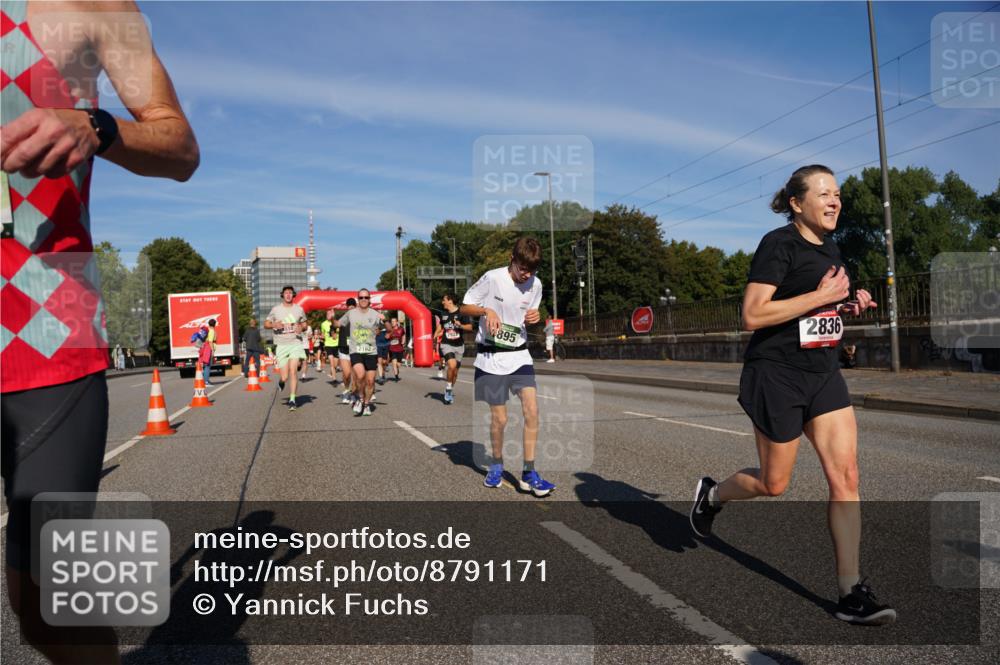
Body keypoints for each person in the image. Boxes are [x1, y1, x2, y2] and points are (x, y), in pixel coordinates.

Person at [0, 3, 199, 662]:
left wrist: (96, 125)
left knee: (44, 612)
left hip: (47, 340)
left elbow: (180, 145)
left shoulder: (98, 7)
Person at [688, 165, 893, 626]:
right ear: (797, 203)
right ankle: (713, 495)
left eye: (837, 193)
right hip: (776, 376)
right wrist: (817, 296)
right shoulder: (777, 244)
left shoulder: (833, 247)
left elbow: (818, 307)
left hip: (822, 375)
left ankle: (850, 592)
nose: (834, 200)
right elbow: (754, 314)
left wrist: (845, 305)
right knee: (774, 483)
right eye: (824, 194)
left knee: (846, 477)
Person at [460, 237, 555, 498]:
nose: (526, 275)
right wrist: (486, 311)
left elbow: (529, 317)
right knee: (500, 419)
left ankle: (529, 473)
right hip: (490, 359)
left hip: (519, 356)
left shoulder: (536, 284)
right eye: (523, 268)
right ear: (512, 260)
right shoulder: (493, 278)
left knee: (532, 411)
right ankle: (497, 464)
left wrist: (535, 319)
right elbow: (464, 305)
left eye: (532, 270)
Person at [340, 289, 383, 416]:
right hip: (356, 350)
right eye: (361, 297)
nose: (364, 299)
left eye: (366, 297)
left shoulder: (375, 314)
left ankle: (366, 404)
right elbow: (339, 323)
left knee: (370, 382)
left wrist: (384, 320)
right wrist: (332, 319)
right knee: (360, 375)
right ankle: (359, 398)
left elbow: (389, 330)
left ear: (370, 299)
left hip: (371, 351)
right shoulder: (351, 313)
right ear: (358, 299)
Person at [264, 286, 308, 410]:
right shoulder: (276, 309)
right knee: (285, 376)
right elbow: (266, 323)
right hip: (281, 345)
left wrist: (302, 328)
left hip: (295, 343)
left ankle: (292, 399)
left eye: (290, 293)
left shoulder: (299, 309)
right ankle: (282, 381)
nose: (288, 295)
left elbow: (305, 324)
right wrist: (273, 324)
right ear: (282, 295)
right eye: (286, 293)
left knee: (293, 371)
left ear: (293, 295)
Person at [436, 293, 474, 405]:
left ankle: (450, 389)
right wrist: (434, 335)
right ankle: (448, 389)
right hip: (446, 344)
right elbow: (440, 327)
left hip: (459, 345)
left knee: (455, 373)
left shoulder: (462, 313)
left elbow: (470, 327)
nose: (443, 302)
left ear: (450, 301)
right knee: (451, 365)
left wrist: (460, 325)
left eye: (444, 300)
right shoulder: (443, 314)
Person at [336, 298, 357, 403]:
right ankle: (346, 390)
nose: (351, 307)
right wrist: (333, 332)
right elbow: (334, 326)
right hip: (344, 348)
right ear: (347, 307)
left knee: (355, 374)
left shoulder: (359, 318)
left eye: (353, 306)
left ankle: (353, 394)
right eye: (349, 306)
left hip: (355, 349)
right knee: (347, 373)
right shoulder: (343, 318)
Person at [321, 308, 338, 381]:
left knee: (335, 364)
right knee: (331, 362)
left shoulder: (336, 322)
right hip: (328, 345)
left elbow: (338, 331)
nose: (328, 315)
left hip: (336, 344)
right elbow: (322, 333)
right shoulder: (323, 324)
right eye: (327, 314)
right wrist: (322, 336)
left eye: (330, 314)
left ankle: (332, 373)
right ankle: (334, 378)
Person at [387, 317, 406, 381]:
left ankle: (397, 369)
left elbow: (403, 335)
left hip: (400, 348)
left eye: (394, 321)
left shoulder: (401, 329)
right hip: (392, 349)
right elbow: (387, 337)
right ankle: (396, 376)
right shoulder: (390, 330)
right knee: (394, 363)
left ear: (397, 322)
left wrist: (403, 341)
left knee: (398, 364)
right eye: (391, 321)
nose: (392, 323)